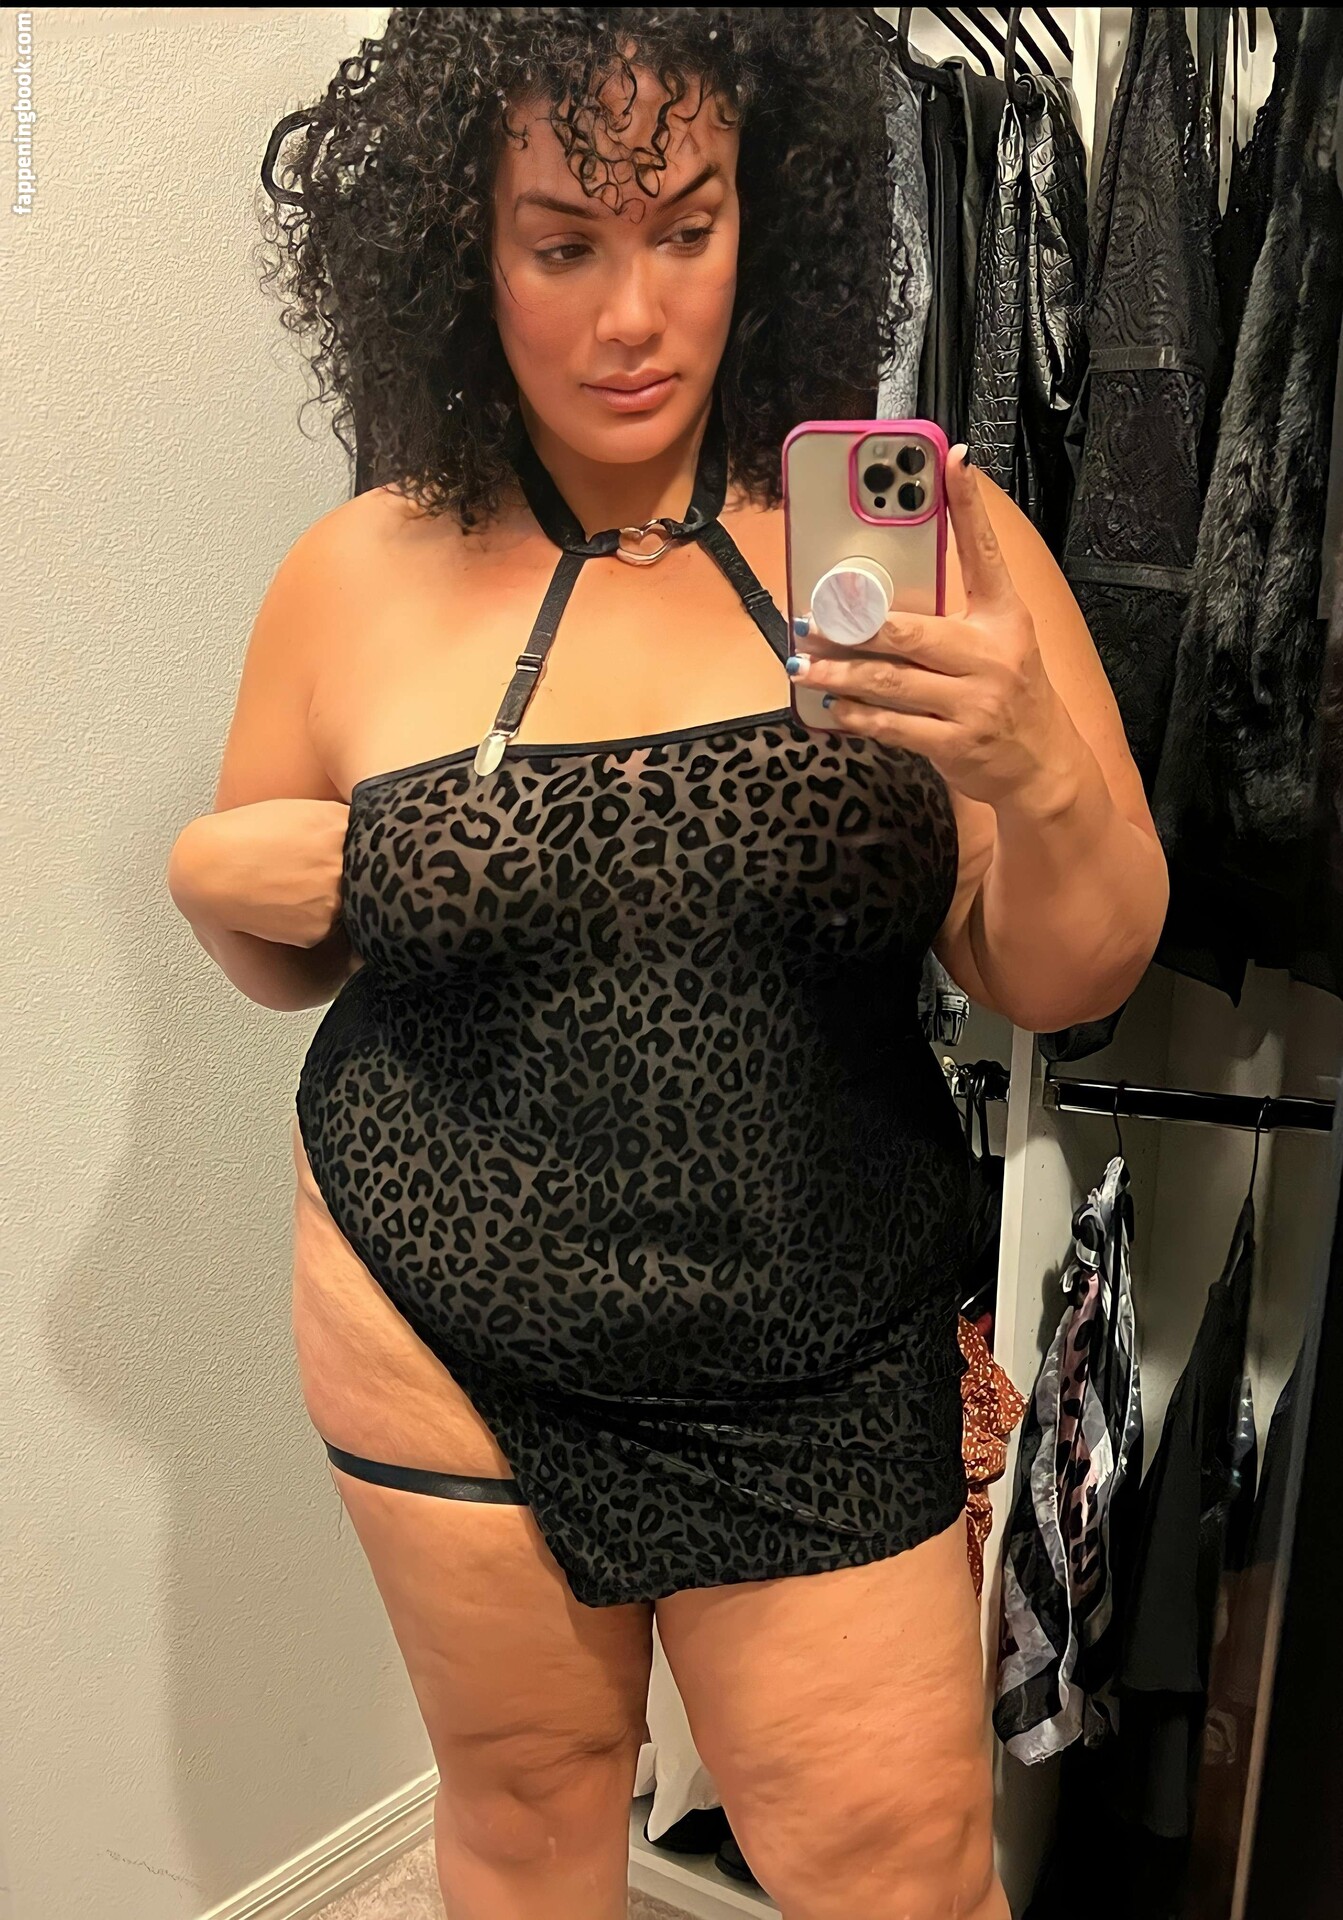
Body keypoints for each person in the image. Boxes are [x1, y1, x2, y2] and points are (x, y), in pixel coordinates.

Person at [166, 13, 1168, 1919]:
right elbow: (291, 963)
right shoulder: (352, 576)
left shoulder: (938, 554)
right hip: (437, 1315)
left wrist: (1037, 765)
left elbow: (1070, 971)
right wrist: (218, 881)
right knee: (529, 1817)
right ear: (463, 252)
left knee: (901, 1870)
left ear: (765, 215)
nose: (632, 315)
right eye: (563, 244)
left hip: (818, 1339)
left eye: (685, 228)